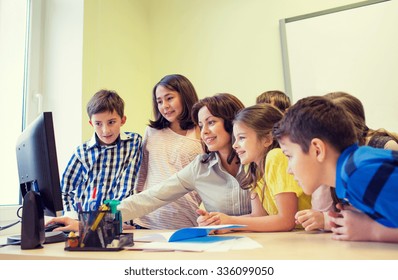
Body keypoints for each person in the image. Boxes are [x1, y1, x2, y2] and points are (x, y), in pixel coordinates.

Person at [49, 93, 252, 231]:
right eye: (201, 124)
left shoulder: (258, 161)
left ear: (232, 122)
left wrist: (229, 222)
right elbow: (150, 198)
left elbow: (281, 217)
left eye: (211, 123)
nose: (204, 132)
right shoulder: (200, 167)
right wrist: (88, 223)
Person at [273, 96, 398, 242]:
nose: (289, 170)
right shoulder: (351, 174)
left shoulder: (358, 172)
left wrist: (372, 231)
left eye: (289, 156)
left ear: (317, 150)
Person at [196, 104, 311, 232]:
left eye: (242, 138)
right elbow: (257, 216)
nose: (234, 145)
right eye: (235, 138)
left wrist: (232, 221)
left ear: (267, 139)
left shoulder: (276, 157)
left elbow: (286, 220)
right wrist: (221, 224)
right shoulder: (251, 167)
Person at [133, 74, 203, 229]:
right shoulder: (152, 131)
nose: (164, 105)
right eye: (159, 101)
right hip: (147, 222)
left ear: (185, 96)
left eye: (169, 98)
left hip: (185, 221)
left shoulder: (202, 133)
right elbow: (141, 175)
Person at [60, 89, 142, 220]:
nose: (105, 130)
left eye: (111, 122)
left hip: (121, 222)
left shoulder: (134, 143)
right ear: (91, 123)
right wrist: (72, 218)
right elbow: (65, 190)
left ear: (123, 120)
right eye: (98, 124)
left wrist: (116, 219)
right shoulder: (82, 152)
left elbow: (126, 186)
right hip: (87, 224)